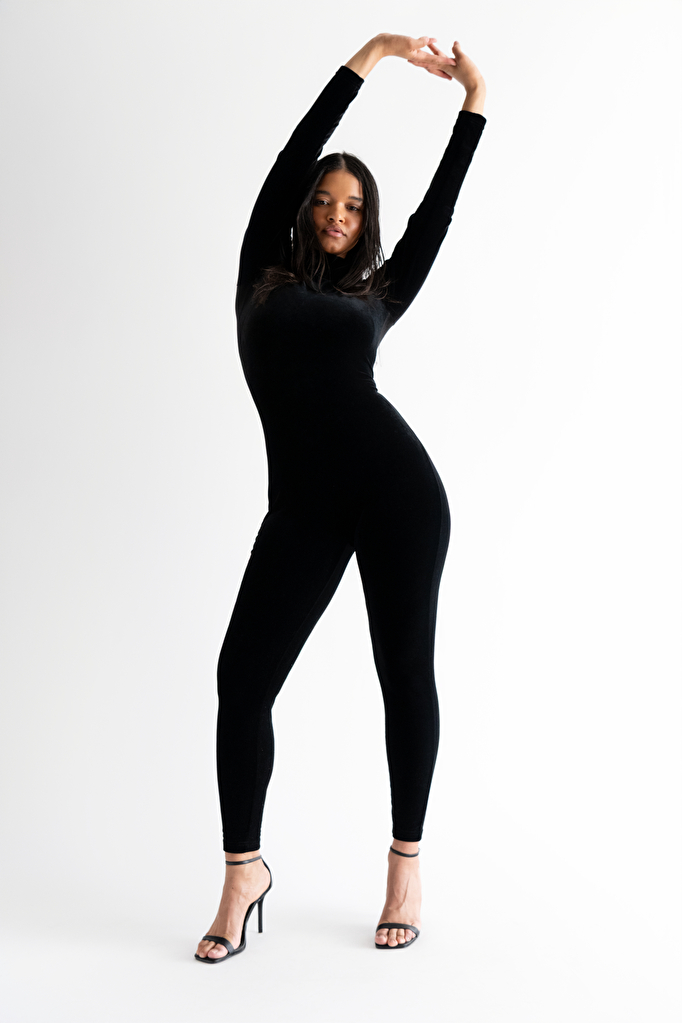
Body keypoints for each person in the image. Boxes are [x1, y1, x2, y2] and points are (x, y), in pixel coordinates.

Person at [195, 33, 487, 964]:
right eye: (324, 199)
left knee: (403, 673)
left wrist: (472, 105)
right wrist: (376, 54)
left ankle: (405, 868)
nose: (335, 212)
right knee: (242, 680)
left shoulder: (378, 297)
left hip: (399, 494)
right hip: (304, 508)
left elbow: (435, 218)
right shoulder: (260, 274)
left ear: (367, 224)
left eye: (354, 206)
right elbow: (296, 152)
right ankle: (243, 871)